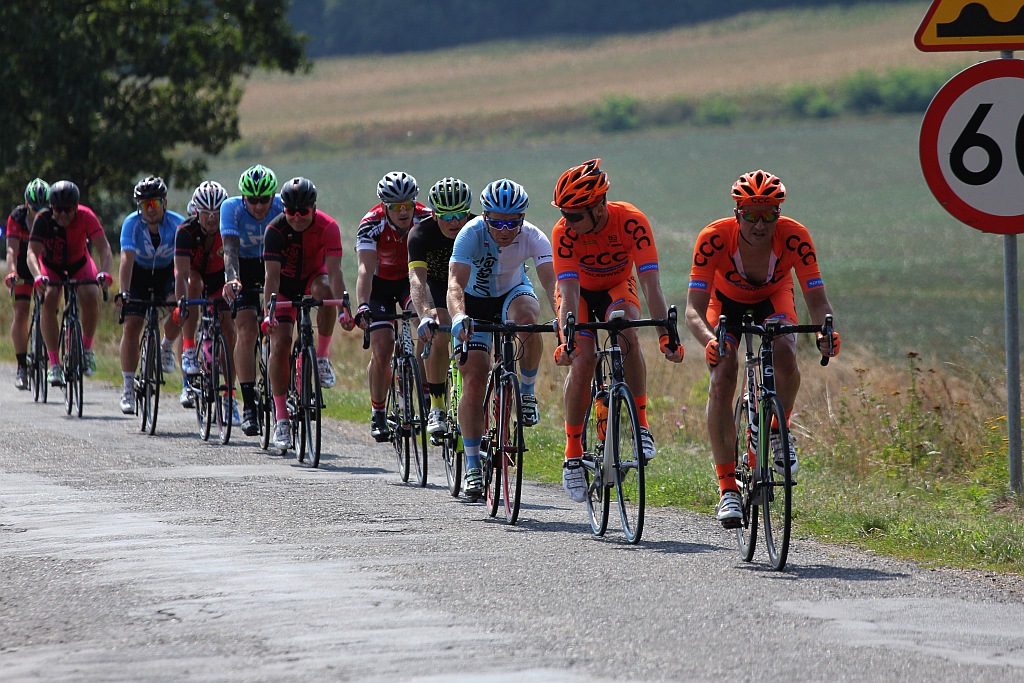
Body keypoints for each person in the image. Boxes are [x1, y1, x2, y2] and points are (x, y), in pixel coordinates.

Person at [683, 170, 841, 527]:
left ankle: (778, 429)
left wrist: (824, 333)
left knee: (785, 355)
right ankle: (727, 489)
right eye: (751, 214)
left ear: (778, 215)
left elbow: (818, 301)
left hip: (774, 298)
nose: (759, 224)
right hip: (725, 303)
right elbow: (693, 309)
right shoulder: (713, 238)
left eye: (769, 214)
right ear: (736, 213)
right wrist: (709, 341)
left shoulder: (795, 236)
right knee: (723, 374)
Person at [550, 158, 683, 503]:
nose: (568, 221)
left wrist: (667, 334)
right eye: (564, 213)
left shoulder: (632, 221)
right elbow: (568, 295)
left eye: (575, 215)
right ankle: (572, 453)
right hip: (577, 292)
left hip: (617, 286)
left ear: (598, 206)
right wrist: (567, 342)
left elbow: (651, 285)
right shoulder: (563, 233)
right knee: (583, 359)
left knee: (626, 329)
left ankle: (641, 425)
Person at [447, 178, 557, 498]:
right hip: (474, 306)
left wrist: (564, 317)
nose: (505, 229)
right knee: (475, 376)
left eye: (512, 222)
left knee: (528, 319)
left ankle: (526, 391)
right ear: (485, 216)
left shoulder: (533, 236)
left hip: (512, 294)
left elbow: (552, 284)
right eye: (497, 221)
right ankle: (471, 467)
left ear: (522, 219)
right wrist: (457, 317)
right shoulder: (470, 234)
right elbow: (455, 285)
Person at [264, 177, 354, 449]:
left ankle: (322, 357)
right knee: (279, 345)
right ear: (284, 210)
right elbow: (271, 278)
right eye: (291, 212)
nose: (298, 217)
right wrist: (269, 313)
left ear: (313, 208)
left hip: (314, 279)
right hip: (284, 288)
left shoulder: (329, 227)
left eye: (303, 211)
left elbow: (336, 272)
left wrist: (343, 309)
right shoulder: (274, 230)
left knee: (325, 289)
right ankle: (281, 418)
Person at [354, 171, 432, 442]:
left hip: (411, 283)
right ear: (384, 207)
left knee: (427, 325)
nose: (403, 212)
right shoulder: (370, 224)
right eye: (396, 207)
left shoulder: (426, 218)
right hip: (380, 289)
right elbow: (364, 269)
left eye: (408, 205)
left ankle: (426, 393)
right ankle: (378, 411)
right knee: (383, 348)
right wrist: (363, 305)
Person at [26, 180, 113, 386]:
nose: (63, 215)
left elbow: (105, 248)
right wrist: (38, 275)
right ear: (51, 207)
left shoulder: (86, 215)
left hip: (79, 263)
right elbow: (31, 252)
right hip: (50, 266)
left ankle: (87, 349)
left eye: (68, 210)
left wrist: (105, 272)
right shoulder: (43, 219)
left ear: (76, 207)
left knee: (90, 295)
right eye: (58, 209)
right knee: (49, 299)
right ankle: (54, 364)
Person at [221, 164, 285, 435]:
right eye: (253, 200)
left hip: (276, 264)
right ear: (243, 197)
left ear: (273, 197)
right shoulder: (231, 208)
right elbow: (229, 251)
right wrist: (232, 278)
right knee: (246, 331)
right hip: (245, 267)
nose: (259, 206)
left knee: (282, 331)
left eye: (264, 199)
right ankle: (248, 404)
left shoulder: (283, 206)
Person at [409, 177, 475, 437]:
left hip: (470, 287)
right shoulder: (420, 234)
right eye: (446, 216)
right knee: (439, 328)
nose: (454, 222)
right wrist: (424, 315)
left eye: (460, 214)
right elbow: (416, 280)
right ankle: (436, 406)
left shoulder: (478, 228)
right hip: (437, 287)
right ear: (433, 214)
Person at [115, 176, 185, 414]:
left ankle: (166, 345)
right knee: (132, 324)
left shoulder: (177, 224)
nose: (150, 210)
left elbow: (181, 264)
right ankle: (127, 386)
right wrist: (124, 292)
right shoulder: (131, 224)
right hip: (139, 274)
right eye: (145, 205)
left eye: (154, 204)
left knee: (179, 309)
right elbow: (126, 260)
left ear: (164, 202)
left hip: (166, 272)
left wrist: (180, 292)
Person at [173, 181, 232, 409]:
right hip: (193, 276)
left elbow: (235, 265)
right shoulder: (186, 231)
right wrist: (182, 304)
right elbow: (181, 274)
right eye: (206, 212)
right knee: (192, 284)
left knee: (229, 331)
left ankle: (229, 396)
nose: (211, 218)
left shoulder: (228, 229)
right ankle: (188, 349)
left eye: (217, 213)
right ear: (196, 211)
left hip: (219, 279)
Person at [5, 178, 49, 389]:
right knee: (21, 312)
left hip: (44, 264)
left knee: (50, 308)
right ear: (26, 204)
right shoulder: (17, 217)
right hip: (22, 265)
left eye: (43, 208)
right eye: (34, 208)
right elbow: (12, 250)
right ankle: (22, 365)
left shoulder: (52, 217)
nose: (39, 212)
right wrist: (12, 273)